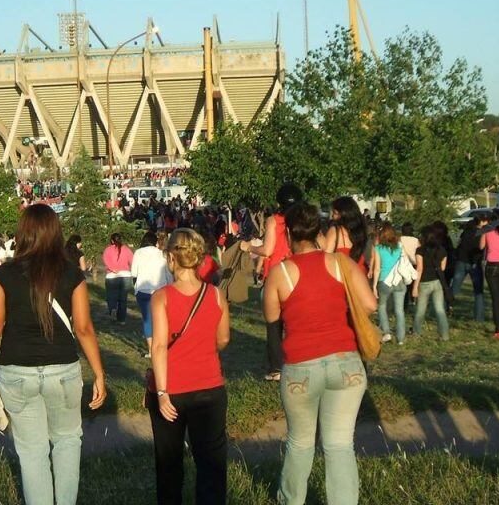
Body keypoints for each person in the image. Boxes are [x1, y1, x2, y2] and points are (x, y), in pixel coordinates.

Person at [0, 203, 106, 505]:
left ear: (23, 233)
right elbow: (83, 328)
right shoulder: (71, 273)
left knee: (32, 451)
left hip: (17, 371)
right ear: (56, 232)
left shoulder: (5, 274)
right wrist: (98, 373)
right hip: (63, 370)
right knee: (68, 442)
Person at [263, 202, 376, 505]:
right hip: (347, 363)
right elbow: (369, 305)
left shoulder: (280, 273)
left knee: (300, 443)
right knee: (340, 445)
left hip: (301, 365)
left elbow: (272, 318)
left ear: (287, 234)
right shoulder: (341, 263)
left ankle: (291, 500)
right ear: (319, 230)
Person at [148, 228, 230, 505]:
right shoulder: (216, 295)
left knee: (169, 464)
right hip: (209, 386)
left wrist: (161, 393)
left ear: (172, 257)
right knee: (211, 464)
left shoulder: (162, 297)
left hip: (171, 390)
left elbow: (158, 347)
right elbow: (224, 338)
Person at [240, 183, 303, 381]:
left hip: (276, 275)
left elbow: (267, 250)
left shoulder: (273, 221)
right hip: (298, 272)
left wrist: (249, 246)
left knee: (274, 325)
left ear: (279, 202)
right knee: (296, 323)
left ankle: (276, 369)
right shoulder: (303, 219)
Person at [131, 231, 172, 358]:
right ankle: (164, 346)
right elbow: (168, 275)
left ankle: (151, 350)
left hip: (143, 290)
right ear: (156, 242)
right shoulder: (162, 254)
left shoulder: (138, 253)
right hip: (160, 290)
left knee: (147, 320)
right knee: (162, 320)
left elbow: (134, 273)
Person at [372, 222, 407, 344]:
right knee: (399, 310)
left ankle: (387, 332)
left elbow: (377, 268)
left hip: (384, 281)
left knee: (381, 306)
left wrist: (374, 286)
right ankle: (401, 339)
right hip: (399, 281)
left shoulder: (378, 249)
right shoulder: (400, 246)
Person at [413, 225, 450, 341]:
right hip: (437, 282)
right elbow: (443, 268)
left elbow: (419, 269)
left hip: (424, 282)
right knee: (440, 309)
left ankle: (417, 332)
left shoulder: (420, 250)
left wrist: (414, 287)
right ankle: (444, 335)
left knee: (420, 309)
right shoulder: (442, 249)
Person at [452, 214, 490, 322]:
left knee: (454, 288)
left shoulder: (466, 231)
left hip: (461, 260)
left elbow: (460, 245)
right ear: (482, 222)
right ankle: (479, 317)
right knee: (478, 292)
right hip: (474, 262)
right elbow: (481, 247)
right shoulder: (481, 233)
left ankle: (446, 307)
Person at [324, 196, 368, 271]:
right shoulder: (360, 232)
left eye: (335, 213)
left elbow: (325, 258)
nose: (332, 216)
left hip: (342, 276)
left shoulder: (335, 231)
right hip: (359, 275)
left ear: (344, 214)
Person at [102, 233, 133, 324]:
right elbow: (132, 261)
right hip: (125, 275)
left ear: (112, 240)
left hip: (112, 275)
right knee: (123, 299)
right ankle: (122, 319)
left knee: (111, 296)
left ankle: (112, 308)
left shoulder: (108, 250)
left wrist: (113, 269)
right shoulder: (127, 249)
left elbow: (105, 260)